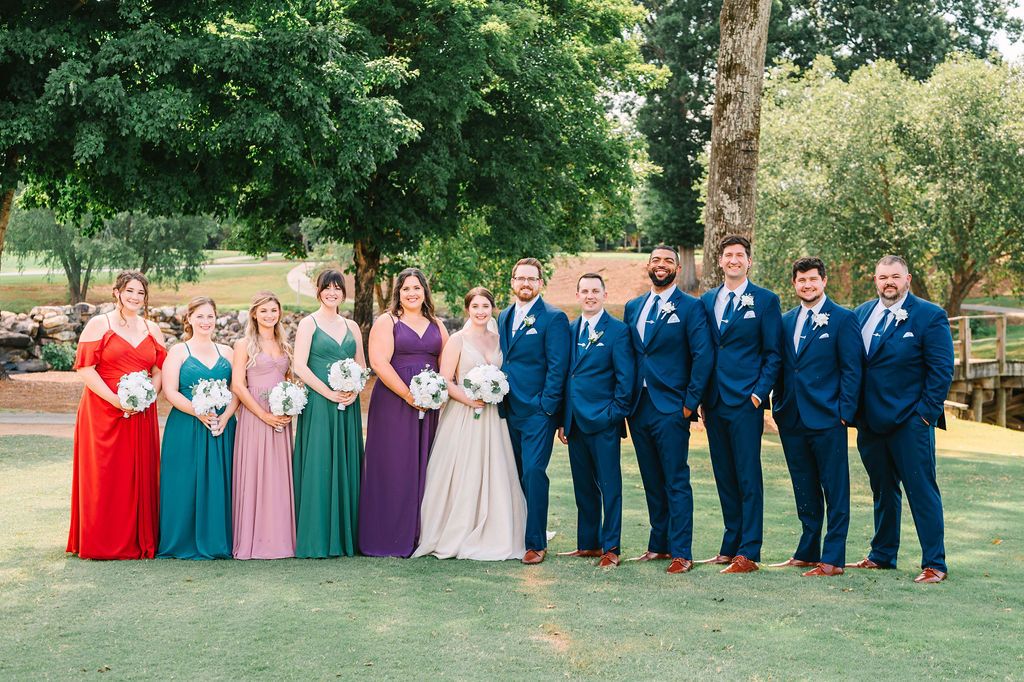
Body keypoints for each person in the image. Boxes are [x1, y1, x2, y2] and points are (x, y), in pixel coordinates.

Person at [848, 255, 954, 583]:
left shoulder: (929, 315)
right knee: (882, 490)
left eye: (895, 276)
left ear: (907, 279)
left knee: (921, 491)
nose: (889, 282)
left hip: (911, 422)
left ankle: (935, 563)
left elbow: (941, 370)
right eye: (883, 277)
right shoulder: (860, 315)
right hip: (870, 422)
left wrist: (924, 416)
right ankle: (882, 554)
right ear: (875, 281)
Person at [413, 288, 527, 561]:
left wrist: (493, 392)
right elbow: (445, 380)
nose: (480, 311)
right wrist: (469, 399)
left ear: (492, 308)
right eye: (475, 306)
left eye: (485, 306)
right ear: (467, 309)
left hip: (493, 417)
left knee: (496, 470)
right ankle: (455, 529)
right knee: (463, 470)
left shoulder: (499, 340)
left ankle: (496, 530)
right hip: (463, 415)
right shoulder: (457, 340)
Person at [770, 258, 861, 577]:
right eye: (801, 280)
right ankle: (808, 551)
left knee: (835, 489)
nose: (807, 285)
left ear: (824, 281)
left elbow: (852, 369)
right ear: (794, 284)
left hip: (828, 418)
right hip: (791, 418)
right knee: (804, 486)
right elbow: (782, 367)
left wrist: (844, 413)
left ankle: (833, 559)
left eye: (812, 279)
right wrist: (778, 407)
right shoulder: (785, 321)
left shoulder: (843, 319)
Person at [624, 247, 713, 574]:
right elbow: (629, 354)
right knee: (651, 479)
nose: (661, 266)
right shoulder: (634, 307)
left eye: (667, 262)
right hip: (639, 406)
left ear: (677, 268)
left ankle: (681, 552)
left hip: (672, 406)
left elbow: (702, 355)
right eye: (656, 261)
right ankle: (658, 545)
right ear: (648, 265)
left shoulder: (691, 306)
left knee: (676, 479)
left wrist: (690, 403)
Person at [68, 270, 167, 560]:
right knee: (105, 473)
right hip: (102, 409)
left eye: (140, 293)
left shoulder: (152, 329)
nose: (135, 297)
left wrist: (147, 397)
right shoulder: (100, 324)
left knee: (137, 473)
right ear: (117, 293)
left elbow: (159, 371)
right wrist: (116, 400)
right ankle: (101, 539)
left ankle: (137, 538)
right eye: (129, 291)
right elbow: (85, 369)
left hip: (141, 413)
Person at [700, 235, 782, 574]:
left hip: (746, 401)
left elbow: (774, 354)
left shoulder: (765, 300)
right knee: (724, 474)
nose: (733, 260)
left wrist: (758, 394)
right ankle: (730, 544)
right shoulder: (707, 300)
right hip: (714, 400)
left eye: (739, 255)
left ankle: (749, 550)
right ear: (720, 261)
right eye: (728, 255)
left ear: (749, 261)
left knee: (748, 475)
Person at [359, 268, 449, 557]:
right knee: (394, 465)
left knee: (426, 465)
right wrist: (410, 396)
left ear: (425, 292)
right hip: (394, 402)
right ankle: (387, 535)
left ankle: (420, 534)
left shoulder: (437, 324)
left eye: (417, 288)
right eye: (406, 288)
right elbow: (379, 363)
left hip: (429, 405)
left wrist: (436, 394)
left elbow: (448, 363)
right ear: (398, 292)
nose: (412, 293)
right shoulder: (387, 321)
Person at [556, 274, 634, 567]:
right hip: (575, 422)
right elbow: (567, 376)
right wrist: (563, 419)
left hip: (604, 422)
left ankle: (611, 547)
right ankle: (588, 543)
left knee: (609, 486)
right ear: (577, 295)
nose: (590, 296)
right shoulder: (569, 329)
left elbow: (625, 380)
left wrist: (613, 415)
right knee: (583, 487)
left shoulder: (618, 331)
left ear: (604, 295)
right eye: (585, 291)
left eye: (595, 291)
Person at [497, 258, 570, 565]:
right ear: (512, 282)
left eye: (531, 279)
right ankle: (516, 532)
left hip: (538, 412)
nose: (525, 283)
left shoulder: (553, 318)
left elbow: (558, 367)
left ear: (540, 283)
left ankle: (536, 542)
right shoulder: (503, 315)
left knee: (533, 472)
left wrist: (547, 407)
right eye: (520, 278)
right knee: (514, 474)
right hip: (507, 408)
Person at [292, 270, 366, 558]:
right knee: (319, 461)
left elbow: (362, 365)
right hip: (320, 404)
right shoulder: (308, 324)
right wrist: (328, 393)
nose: (332, 293)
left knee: (346, 462)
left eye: (337, 288)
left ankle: (346, 535)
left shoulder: (352, 326)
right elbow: (300, 366)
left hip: (347, 404)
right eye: (327, 288)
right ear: (319, 291)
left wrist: (354, 391)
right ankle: (317, 536)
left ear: (343, 293)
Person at [158, 297, 239, 560]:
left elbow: (237, 389)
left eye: (210, 316)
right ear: (189, 318)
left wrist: (226, 416)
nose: (206, 321)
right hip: (186, 426)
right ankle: (181, 540)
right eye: (200, 316)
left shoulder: (227, 352)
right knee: (184, 482)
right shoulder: (178, 352)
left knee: (221, 482)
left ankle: (218, 539)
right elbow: (170, 391)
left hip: (221, 427)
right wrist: (198, 412)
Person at [230, 291, 296, 559]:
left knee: (278, 474)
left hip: (280, 415)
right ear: (254, 314)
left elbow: (290, 379)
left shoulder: (285, 345)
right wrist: (262, 414)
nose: (270, 315)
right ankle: (253, 540)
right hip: (254, 414)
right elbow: (238, 385)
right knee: (255, 472)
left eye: (274, 310)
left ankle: (280, 539)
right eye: (264, 310)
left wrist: (291, 405)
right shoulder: (243, 344)